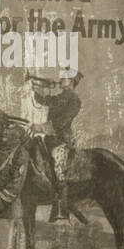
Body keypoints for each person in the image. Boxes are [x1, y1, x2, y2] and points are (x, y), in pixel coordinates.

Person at [29, 72, 83, 221]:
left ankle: (61, 210)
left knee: (58, 167)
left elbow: (62, 122)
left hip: (62, 141)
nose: (60, 80)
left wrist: (40, 128)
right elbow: (45, 101)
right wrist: (35, 88)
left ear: (71, 81)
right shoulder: (61, 97)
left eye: (64, 78)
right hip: (50, 139)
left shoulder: (74, 100)